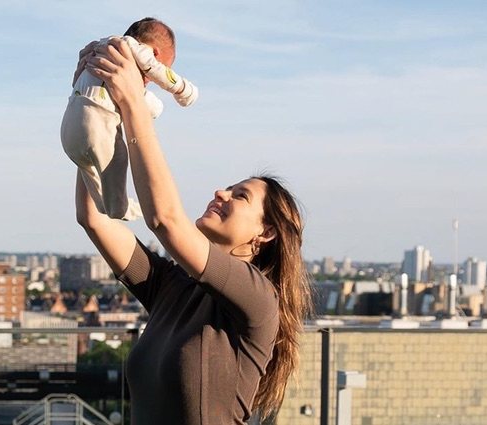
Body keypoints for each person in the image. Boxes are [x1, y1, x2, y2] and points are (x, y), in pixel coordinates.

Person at [73, 32, 312, 424]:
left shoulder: (258, 298)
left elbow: (166, 221)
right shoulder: (172, 286)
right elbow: (95, 218)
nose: (221, 192)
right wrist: (97, 108)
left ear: (264, 233)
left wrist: (134, 101)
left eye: (240, 196)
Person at [62, 18, 198, 221]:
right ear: (155, 53)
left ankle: (104, 204)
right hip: (96, 125)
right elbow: (157, 70)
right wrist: (183, 90)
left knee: (90, 172)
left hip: (68, 129)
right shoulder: (131, 47)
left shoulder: (99, 48)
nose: (149, 81)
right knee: (117, 160)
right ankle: (119, 207)